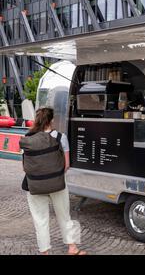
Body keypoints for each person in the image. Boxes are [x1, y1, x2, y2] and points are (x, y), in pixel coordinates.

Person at [23, 108, 86, 255]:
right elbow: (67, 164)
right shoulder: (60, 137)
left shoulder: (27, 138)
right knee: (65, 216)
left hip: (35, 186)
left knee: (40, 220)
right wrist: (54, 176)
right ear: (52, 120)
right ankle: (72, 248)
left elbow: (24, 167)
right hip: (58, 184)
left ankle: (44, 252)